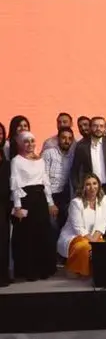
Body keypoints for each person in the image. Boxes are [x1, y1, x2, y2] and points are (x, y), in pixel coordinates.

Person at [10, 131, 58, 281]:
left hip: (40, 200)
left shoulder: (40, 160)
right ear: (20, 143)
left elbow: (45, 182)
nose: (30, 144)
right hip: (26, 199)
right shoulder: (16, 161)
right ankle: (29, 271)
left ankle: (44, 269)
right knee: (28, 236)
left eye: (32, 141)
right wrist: (17, 206)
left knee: (42, 234)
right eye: (26, 141)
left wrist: (50, 203)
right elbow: (15, 184)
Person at [70, 116, 106, 243]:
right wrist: (78, 188)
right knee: (96, 220)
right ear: (90, 127)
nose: (98, 128)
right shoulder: (82, 145)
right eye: (95, 126)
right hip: (91, 189)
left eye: (101, 126)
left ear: (105, 128)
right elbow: (75, 169)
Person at [57, 173, 106, 278]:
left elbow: (103, 223)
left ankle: (89, 269)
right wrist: (93, 242)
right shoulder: (76, 203)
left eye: (94, 183)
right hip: (75, 237)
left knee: (104, 248)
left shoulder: (104, 199)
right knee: (85, 246)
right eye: (88, 184)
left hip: (95, 236)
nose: (92, 187)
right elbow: (78, 228)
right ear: (83, 187)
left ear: (99, 185)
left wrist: (95, 241)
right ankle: (74, 269)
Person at [41, 127, 74, 234]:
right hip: (48, 195)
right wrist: (50, 203)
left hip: (64, 196)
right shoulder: (49, 153)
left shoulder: (72, 155)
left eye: (70, 138)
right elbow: (43, 178)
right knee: (52, 227)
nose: (67, 141)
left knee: (64, 227)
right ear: (58, 139)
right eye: (64, 138)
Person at [0, 122, 10, 287]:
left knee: (3, 240)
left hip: (4, 204)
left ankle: (3, 275)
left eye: (1, 133)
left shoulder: (4, 154)